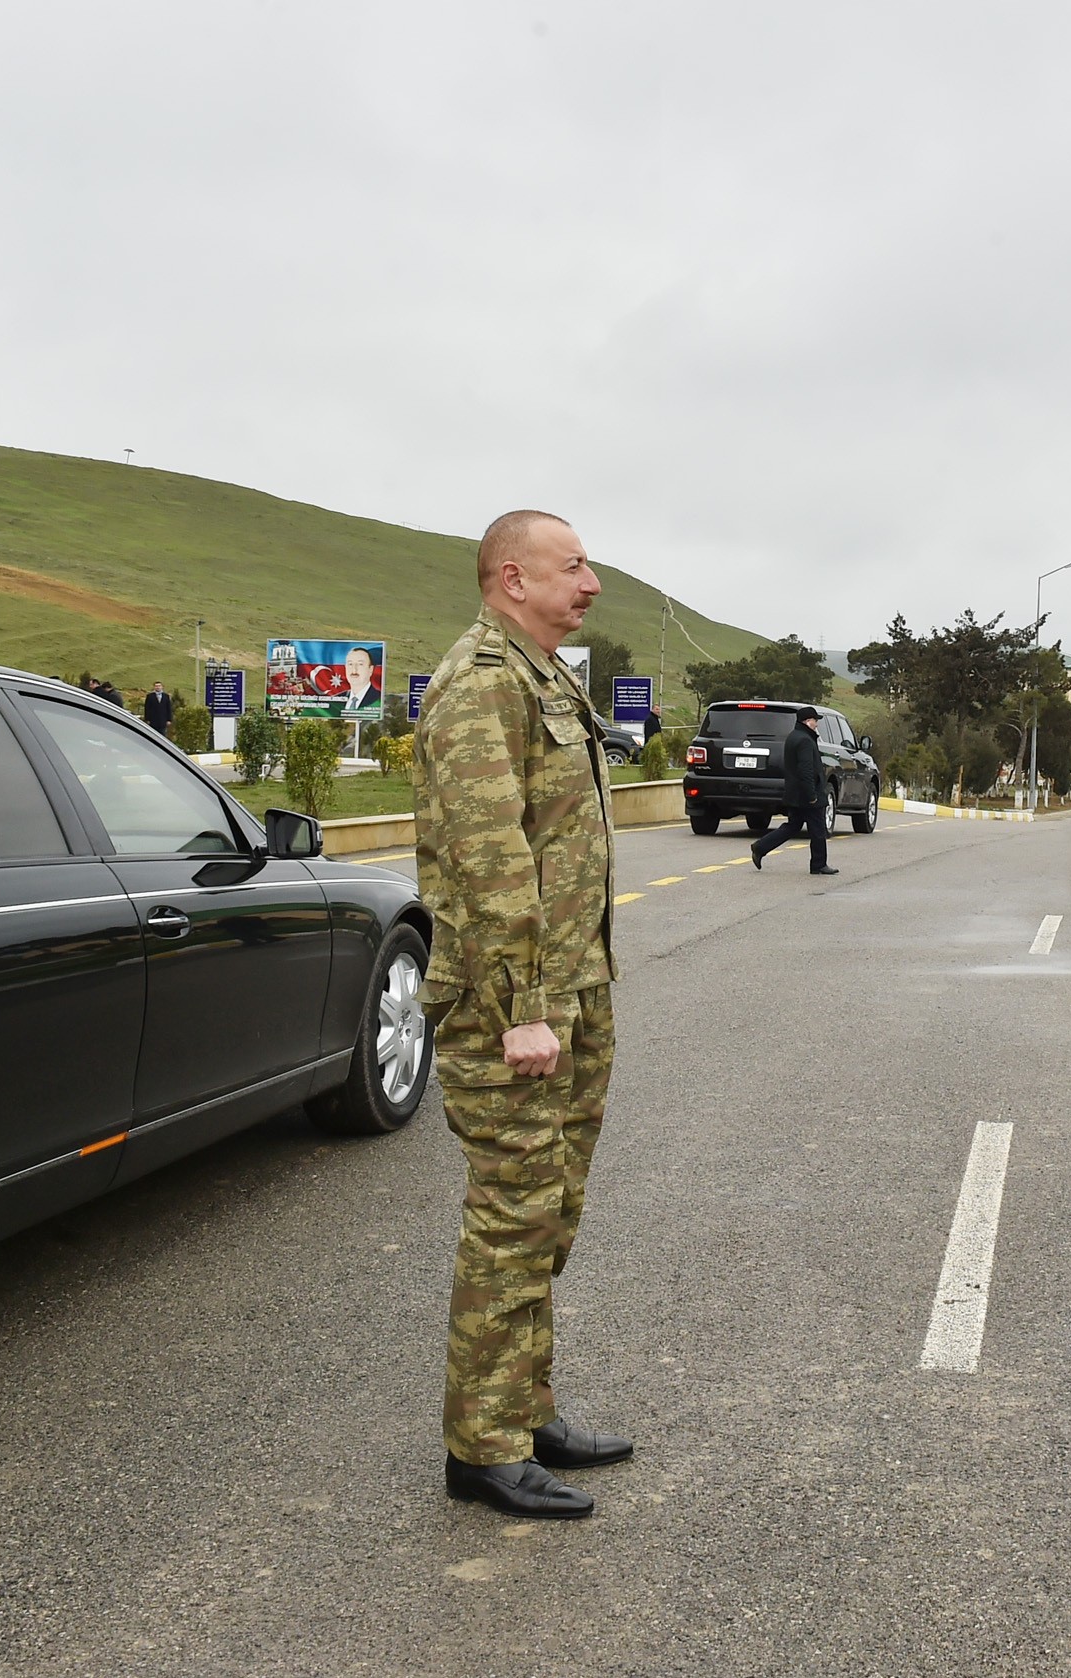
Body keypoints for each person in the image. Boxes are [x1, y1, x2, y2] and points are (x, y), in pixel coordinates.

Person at [416, 509, 632, 1520]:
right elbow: (492, 856)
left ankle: (523, 1402)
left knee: (550, 1211)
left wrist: (572, 993)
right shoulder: (481, 683)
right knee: (512, 1215)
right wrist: (522, 1010)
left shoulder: (545, 673)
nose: (590, 581)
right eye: (572, 565)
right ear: (513, 576)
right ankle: (485, 1445)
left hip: (570, 991)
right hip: (514, 1007)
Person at [750, 706, 838, 875]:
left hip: (796, 793)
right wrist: (812, 795)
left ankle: (760, 847)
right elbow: (806, 770)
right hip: (807, 794)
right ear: (807, 721)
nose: (817, 724)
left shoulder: (794, 737)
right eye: (815, 720)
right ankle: (819, 864)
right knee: (818, 830)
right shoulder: (804, 740)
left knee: (792, 826)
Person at [342, 646, 382, 714]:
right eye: (350, 664)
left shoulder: (379, 699)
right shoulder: (336, 699)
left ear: (370, 669)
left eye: (360, 664)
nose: (354, 670)